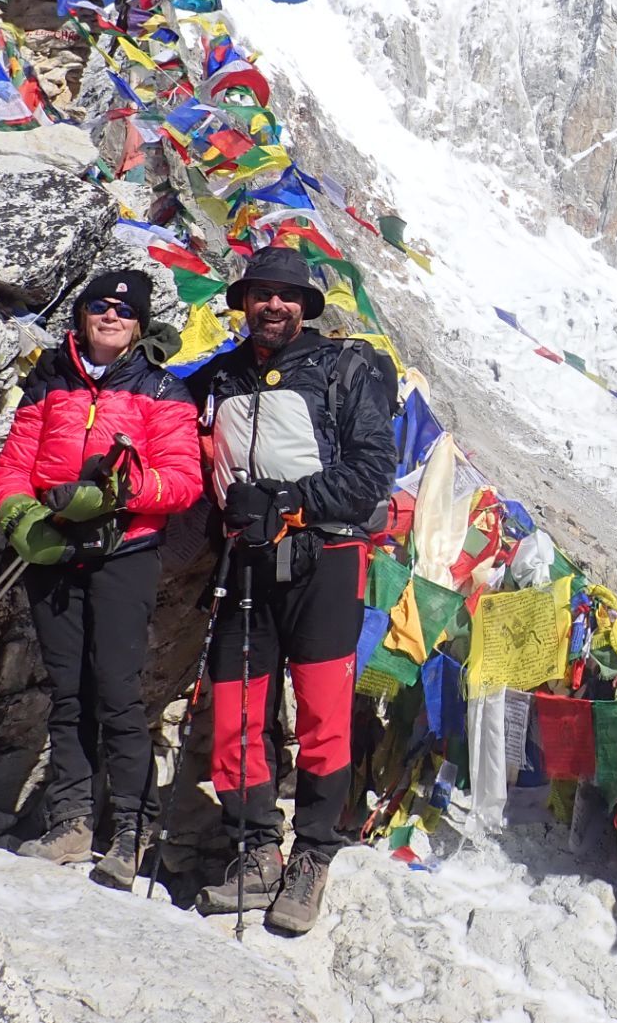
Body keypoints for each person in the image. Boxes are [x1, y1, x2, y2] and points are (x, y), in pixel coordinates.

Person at [189, 245, 396, 933]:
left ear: (306, 305)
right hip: (243, 560)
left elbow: (372, 469)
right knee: (235, 711)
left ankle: (311, 853)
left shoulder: (346, 369)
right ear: (243, 302)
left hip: (324, 557)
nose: (272, 304)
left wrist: (292, 501)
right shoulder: (218, 377)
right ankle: (253, 847)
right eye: (260, 292)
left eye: (286, 294)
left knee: (323, 715)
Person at [0, 271, 203, 888]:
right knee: (67, 689)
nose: (111, 316)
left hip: (124, 552)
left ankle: (132, 830)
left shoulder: (165, 390)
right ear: (81, 316)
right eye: (99, 306)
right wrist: (19, 513)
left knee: (116, 690)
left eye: (124, 310)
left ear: (139, 325)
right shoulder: (49, 381)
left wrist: (119, 493)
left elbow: (182, 481)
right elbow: (13, 465)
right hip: (52, 551)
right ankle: (71, 822)